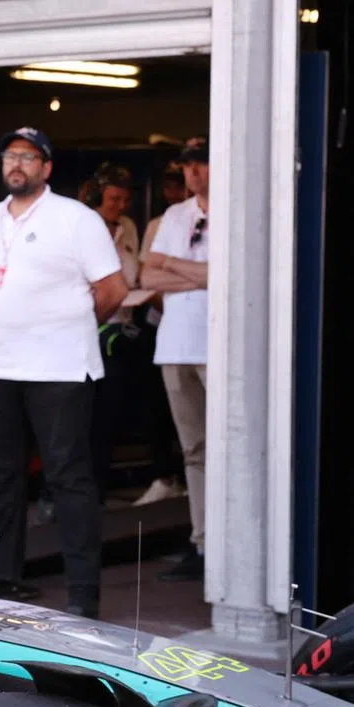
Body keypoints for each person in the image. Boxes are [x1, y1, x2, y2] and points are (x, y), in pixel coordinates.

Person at [0, 126, 127, 618]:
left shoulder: (76, 219)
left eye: (28, 156)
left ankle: (83, 593)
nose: (16, 164)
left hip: (59, 367)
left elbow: (113, 289)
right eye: (9, 155)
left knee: (68, 477)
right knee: (0, 475)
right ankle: (0, 577)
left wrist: (68, 327)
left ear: (47, 167)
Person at [141, 136, 210, 582]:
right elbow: (148, 275)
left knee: (229, 448)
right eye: (187, 166)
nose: (193, 172)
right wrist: (202, 275)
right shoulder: (174, 215)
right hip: (175, 344)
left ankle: (228, 543)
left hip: (217, 345)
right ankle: (202, 541)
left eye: (201, 163)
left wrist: (173, 265)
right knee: (194, 449)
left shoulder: (234, 208)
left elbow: (227, 274)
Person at [131, 160, 190, 506]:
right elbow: (148, 278)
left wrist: (175, 276)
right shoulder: (158, 224)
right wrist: (191, 281)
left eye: (178, 184)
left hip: (198, 324)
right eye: (168, 185)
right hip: (160, 322)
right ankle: (164, 475)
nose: (173, 192)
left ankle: (190, 477)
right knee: (158, 405)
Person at [87, 162, 140, 502]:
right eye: (113, 199)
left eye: (125, 200)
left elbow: (133, 274)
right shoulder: (84, 224)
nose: (120, 207)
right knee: (84, 416)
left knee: (110, 415)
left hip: (121, 331)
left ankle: (99, 488)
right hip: (89, 330)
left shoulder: (129, 227)